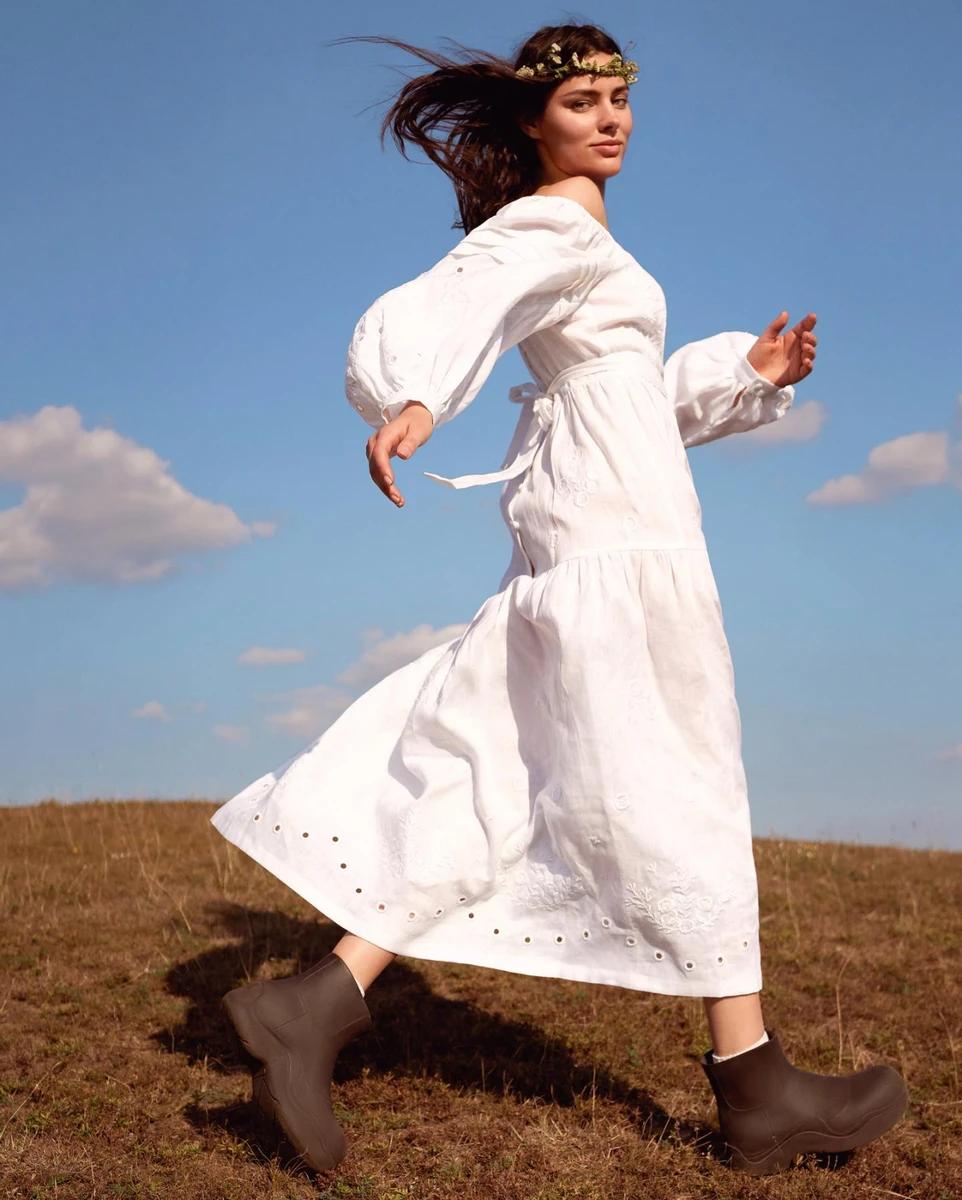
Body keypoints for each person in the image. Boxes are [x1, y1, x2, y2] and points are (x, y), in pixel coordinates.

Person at [211, 23, 908, 1178]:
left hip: (593, 531)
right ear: (534, 122)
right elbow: (458, 300)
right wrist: (413, 397)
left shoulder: (583, 240)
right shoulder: (549, 225)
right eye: (581, 101)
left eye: (617, 98)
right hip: (620, 548)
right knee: (682, 774)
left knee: (489, 772)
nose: (609, 117)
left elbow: (619, 396)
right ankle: (755, 1088)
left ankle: (315, 1001)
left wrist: (741, 376)